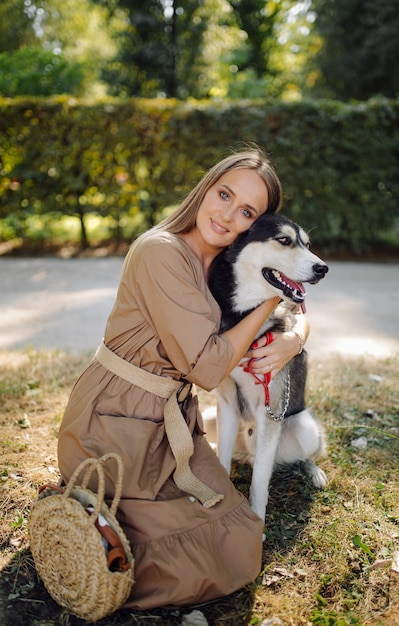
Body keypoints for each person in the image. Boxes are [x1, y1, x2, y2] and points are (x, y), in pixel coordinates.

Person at [57, 147, 309, 610]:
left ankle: (113, 518)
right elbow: (209, 366)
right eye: (224, 194)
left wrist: (296, 337)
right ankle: (87, 533)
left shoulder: (219, 261)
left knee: (238, 531)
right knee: (198, 556)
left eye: (247, 211)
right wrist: (272, 305)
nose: (228, 214)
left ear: (256, 226)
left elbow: (295, 301)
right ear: (205, 188)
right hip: (116, 418)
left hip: (170, 420)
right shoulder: (161, 253)